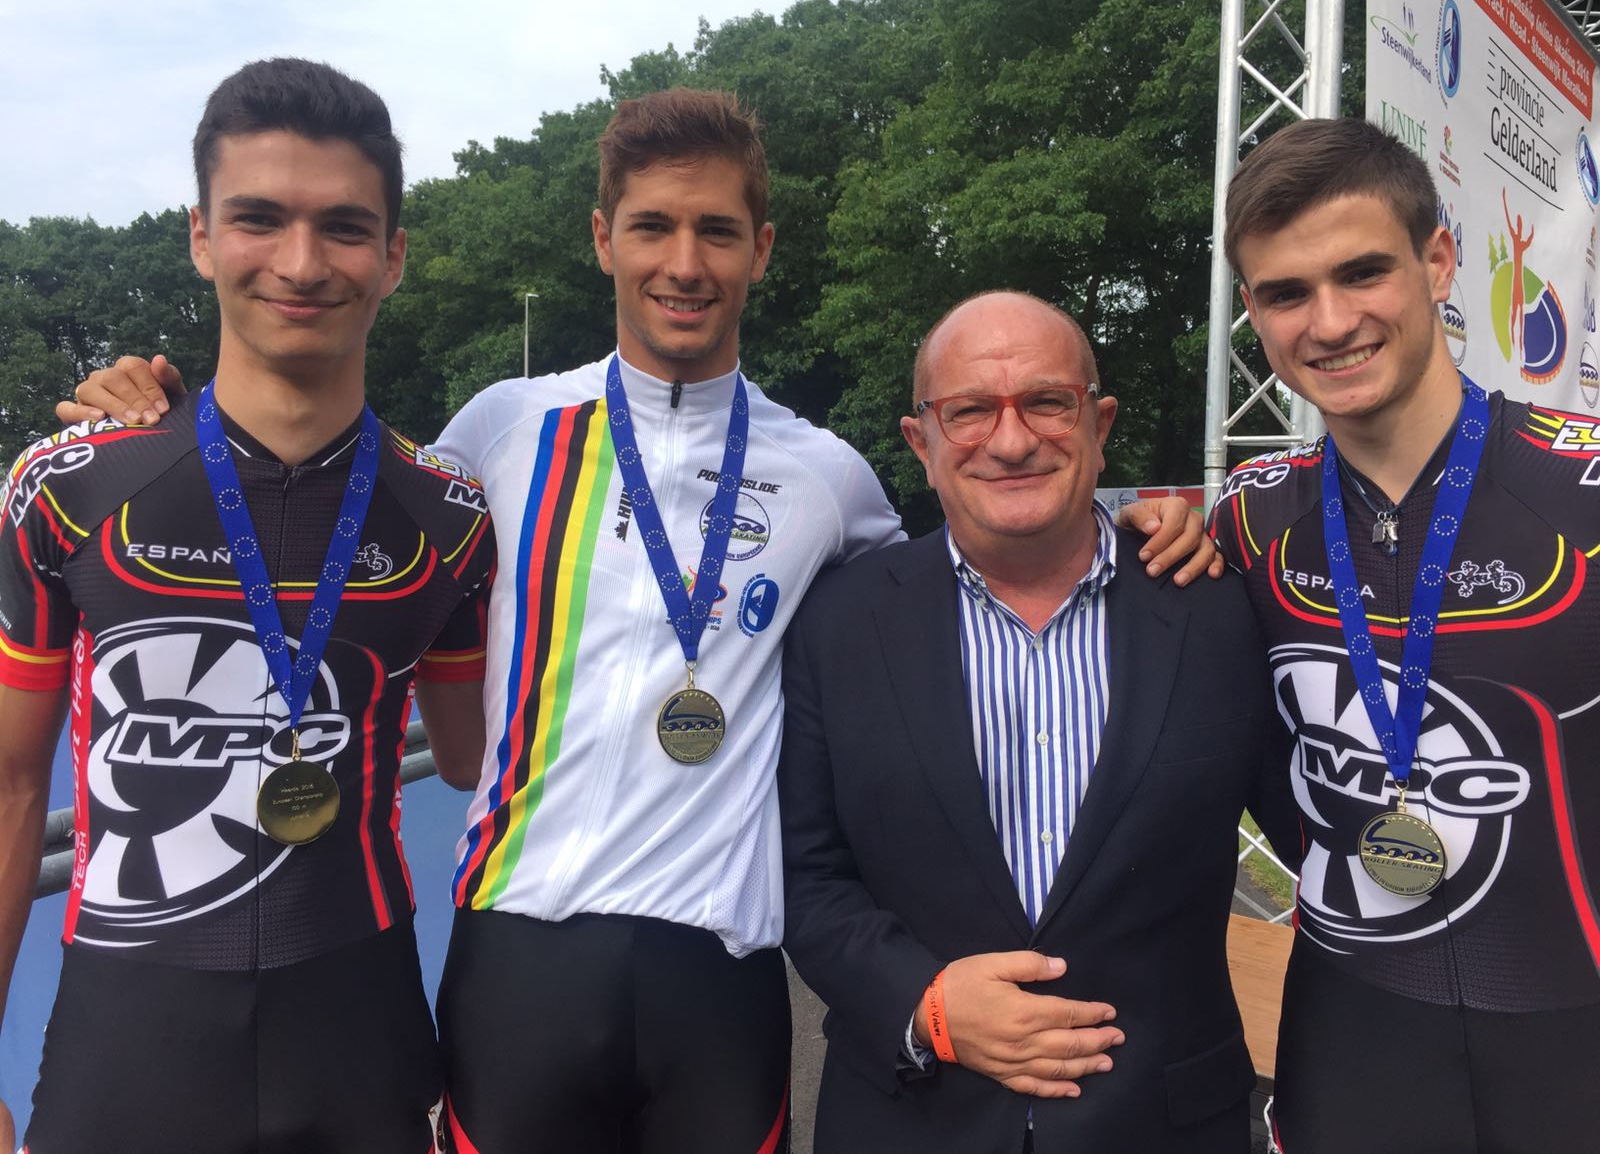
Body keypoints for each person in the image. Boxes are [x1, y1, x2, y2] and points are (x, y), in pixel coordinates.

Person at [61, 92, 1216, 1152]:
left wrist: (1148, 528)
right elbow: (314, 476)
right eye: (653, 227)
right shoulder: (500, 428)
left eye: (717, 231)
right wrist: (162, 418)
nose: (684, 262)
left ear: (760, 251)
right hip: (519, 950)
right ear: (602, 238)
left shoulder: (827, 475)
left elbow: (967, 568)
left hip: (719, 973)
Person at [0, 58, 495, 1154]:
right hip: (128, 1033)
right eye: (259, 219)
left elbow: (468, 761)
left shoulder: (451, 514)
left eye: (345, 227)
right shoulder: (69, 483)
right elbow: (12, 784)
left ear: (395, 255)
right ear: (201, 236)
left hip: (361, 1024)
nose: (303, 263)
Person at [778, 290, 1296, 1153]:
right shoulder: (838, 622)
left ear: (1099, 424)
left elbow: (1319, 833)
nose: (1012, 440)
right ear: (923, 441)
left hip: (1163, 1125)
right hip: (908, 1118)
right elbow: (803, 872)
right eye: (971, 410)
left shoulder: (1219, 606)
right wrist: (927, 1005)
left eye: (1047, 403)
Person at [1213, 117, 1600, 1152]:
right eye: (1284, 294)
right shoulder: (1243, 523)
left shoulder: (1582, 490)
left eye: (1361, 273)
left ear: (1436, 261)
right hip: (1353, 1041)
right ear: (1251, 312)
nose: (1328, 321)